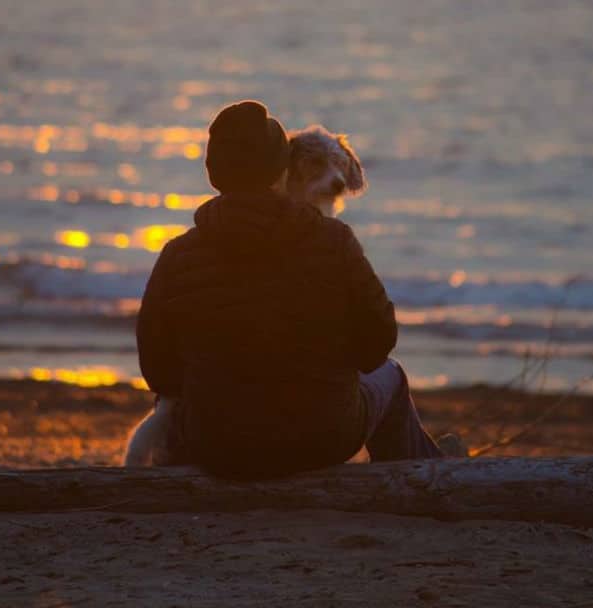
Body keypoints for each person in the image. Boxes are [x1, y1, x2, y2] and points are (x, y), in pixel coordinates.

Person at [136, 100, 444, 478]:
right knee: (391, 376)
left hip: (216, 443)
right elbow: (378, 341)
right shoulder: (335, 241)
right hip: (322, 438)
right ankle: (417, 486)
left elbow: (158, 368)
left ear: (213, 173)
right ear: (283, 169)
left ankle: (177, 478)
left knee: (175, 405)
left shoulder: (178, 253)